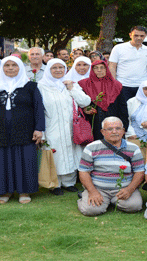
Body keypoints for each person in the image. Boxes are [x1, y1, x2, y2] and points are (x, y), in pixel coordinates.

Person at [0, 56, 45, 204]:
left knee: (24, 160)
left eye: (14, 65)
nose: (10, 68)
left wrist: (39, 128)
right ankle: (4, 191)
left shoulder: (30, 86)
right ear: (2, 68)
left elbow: (39, 108)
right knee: (2, 160)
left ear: (20, 68)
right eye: (6, 65)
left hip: (24, 130)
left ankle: (24, 191)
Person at [38, 59, 91, 194]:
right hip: (51, 126)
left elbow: (85, 101)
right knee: (54, 153)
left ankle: (69, 182)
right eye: (54, 68)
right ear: (48, 70)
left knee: (71, 153)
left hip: (71, 127)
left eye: (61, 67)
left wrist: (72, 88)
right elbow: (38, 110)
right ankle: (55, 184)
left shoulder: (71, 84)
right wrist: (41, 132)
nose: (58, 70)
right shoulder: (41, 87)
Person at [77, 117, 145, 216]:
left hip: (123, 188)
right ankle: (86, 196)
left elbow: (139, 172)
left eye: (118, 128)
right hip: (99, 188)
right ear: (102, 132)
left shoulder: (134, 148)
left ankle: (109, 201)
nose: (114, 132)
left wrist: (130, 189)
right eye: (109, 129)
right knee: (90, 210)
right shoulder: (91, 147)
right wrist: (92, 192)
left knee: (134, 206)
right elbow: (84, 171)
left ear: (123, 131)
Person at [79, 60, 129, 141]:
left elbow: (123, 107)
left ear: (107, 69)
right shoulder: (84, 84)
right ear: (92, 70)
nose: (99, 70)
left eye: (102, 67)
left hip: (113, 123)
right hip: (93, 123)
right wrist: (85, 109)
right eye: (96, 68)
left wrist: (124, 127)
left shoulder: (116, 85)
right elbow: (78, 104)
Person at [108, 26, 147, 100]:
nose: (139, 38)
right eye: (136, 35)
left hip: (142, 86)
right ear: (130, 35)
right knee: (124, 110)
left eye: (142, 36)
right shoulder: (118, 48)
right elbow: (112, 66)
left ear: (145, 36)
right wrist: (114, 83)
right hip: (123, 85)